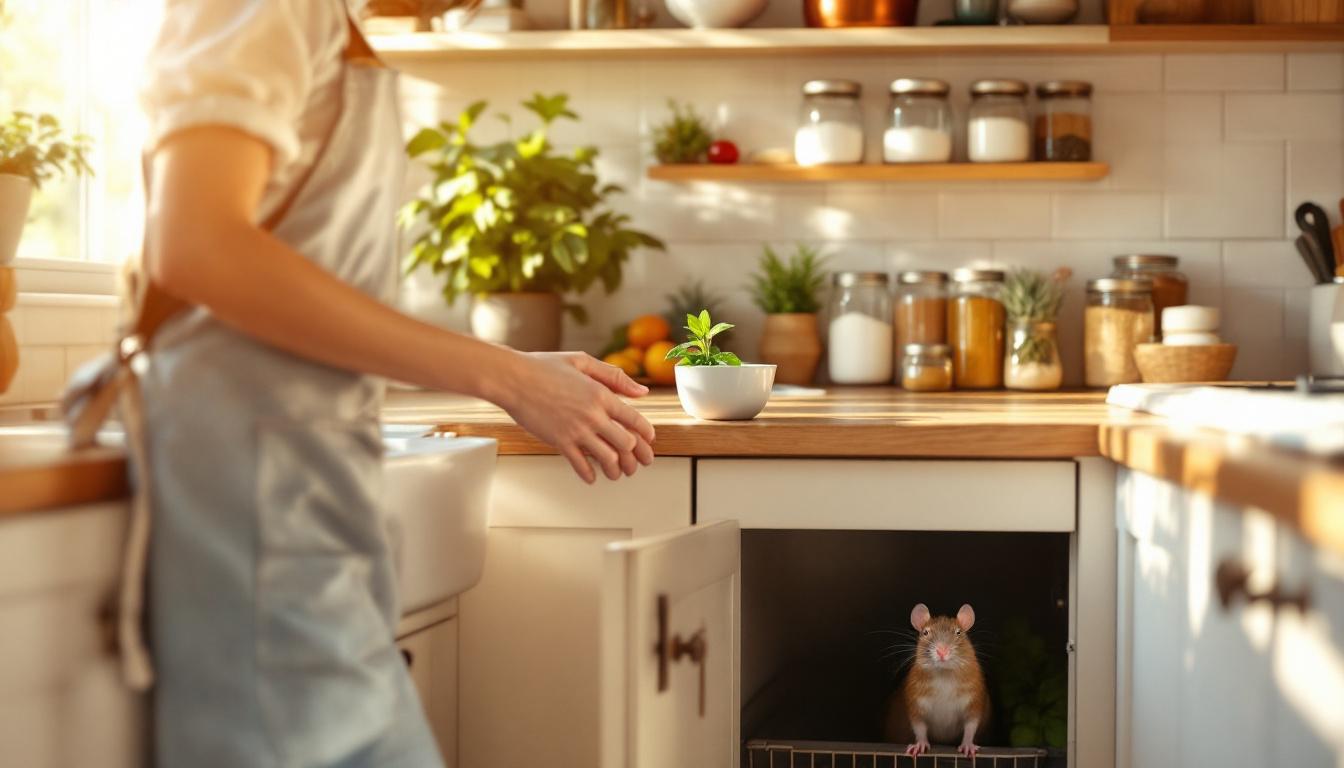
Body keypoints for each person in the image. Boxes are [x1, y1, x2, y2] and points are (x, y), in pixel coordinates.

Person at [127, 1, 655, 765]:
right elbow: (197, 242)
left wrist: (513, 372)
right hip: (248, 490)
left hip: (307, 493)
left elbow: (302, 292)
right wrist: (505, 376)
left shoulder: (322, 25)